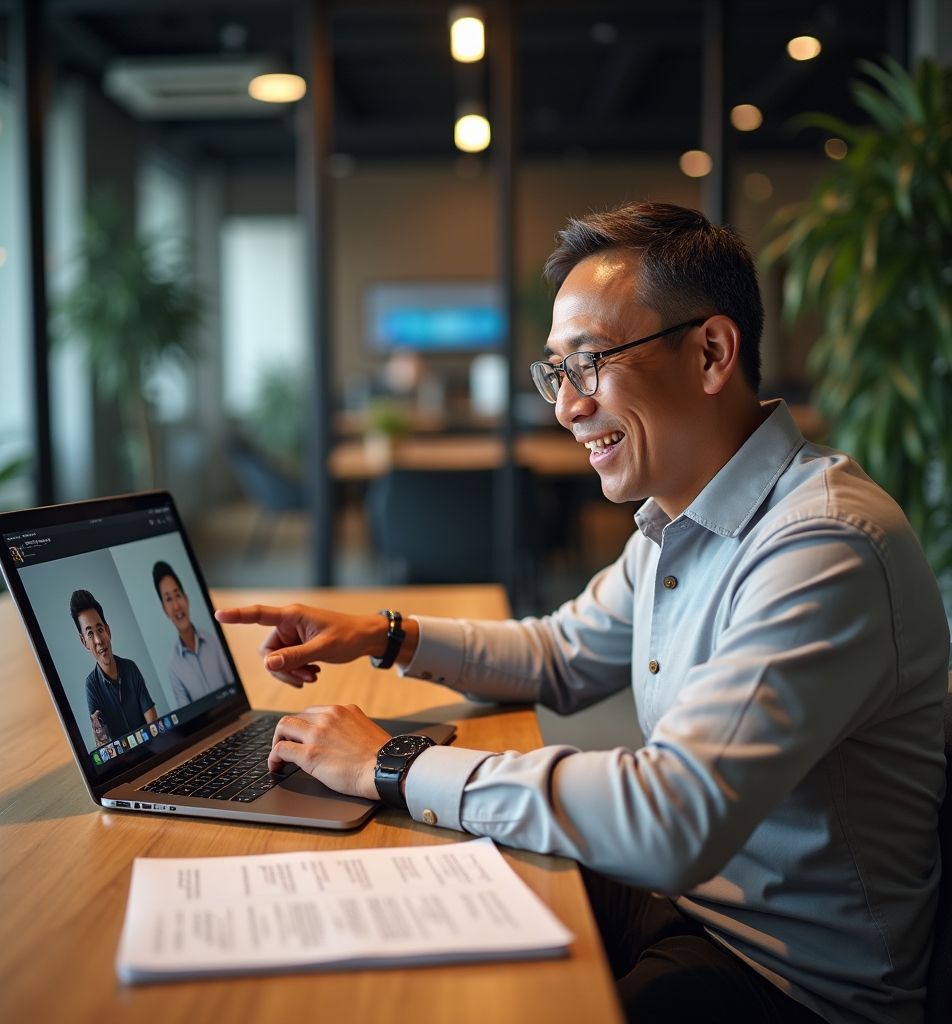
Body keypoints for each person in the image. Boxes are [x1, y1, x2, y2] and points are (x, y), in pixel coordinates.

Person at [215, 203, 948, 1024]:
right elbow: (561, 652)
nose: (566, 406)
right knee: (395, 909)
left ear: (711, 352)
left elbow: (673, 816)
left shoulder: (822, 546)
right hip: (688, 904)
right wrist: (387, 635)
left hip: (788, 981)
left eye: (589, 364)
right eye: (556, 371)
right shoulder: (683, 516)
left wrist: (393, 763)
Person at [70, 589, 158, 745]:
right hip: (124, 757)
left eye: (100, 629)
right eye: (90, 634)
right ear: (84, 642)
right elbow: (103, 745)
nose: (98, 640)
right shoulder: (91, 686)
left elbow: (153, 724)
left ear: (108, 631)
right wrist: (99, 733)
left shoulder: (130, 668)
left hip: (152, 747)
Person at [152, 560, 234, 706]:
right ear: (164, 609)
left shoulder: (214, 641)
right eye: (169, 599)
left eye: (178, 595)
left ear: (186, 599)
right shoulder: (173, 665)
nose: (176, 606)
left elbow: (234, 688)